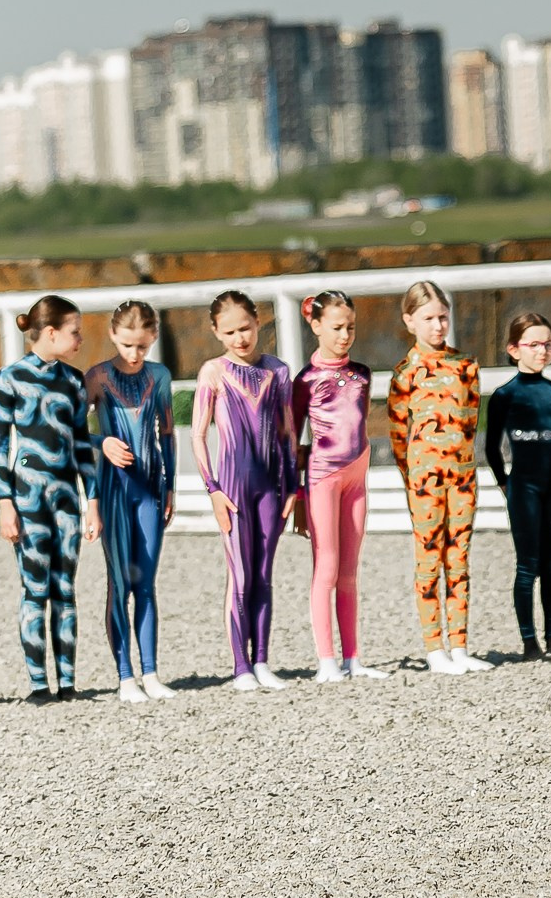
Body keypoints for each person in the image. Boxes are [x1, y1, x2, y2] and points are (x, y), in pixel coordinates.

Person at [191, 290, 302, 691]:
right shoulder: (213, 373)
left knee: (263, 575)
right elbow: (199, 435)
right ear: (216, 332)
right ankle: (240, 666)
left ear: (259, 322)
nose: (240, 338)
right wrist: (213, 490)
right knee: (239, 576)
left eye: (246, 328)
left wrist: (294, 485)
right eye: (230, 332)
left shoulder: (278, 371)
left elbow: (289, 432)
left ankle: (262, 661)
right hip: (233, 489)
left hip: (271, 487)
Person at [0, 296, 99, 703]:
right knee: (34, 590)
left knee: (65, 589)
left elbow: (82, 446)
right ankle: (39, 683)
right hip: (28, 497)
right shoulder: (10, 378)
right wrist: (5, 504)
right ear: (51, 332)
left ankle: (68, 681)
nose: (80, 339)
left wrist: (93, 501)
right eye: (75, 332)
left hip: (67, 498)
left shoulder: (74, 381)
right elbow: (1, 447)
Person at [386, 278, 491, 675]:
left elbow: (472, 421)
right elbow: (398, 433)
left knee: (459, 559)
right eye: (429, 318)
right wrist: (412, 474)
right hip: (424, 480)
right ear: (410, 320)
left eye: (443, 317)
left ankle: (460, 645)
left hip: (463, 476)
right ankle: (434, 647)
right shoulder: (405, 372)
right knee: (428, 560)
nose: (438, 326)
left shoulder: (466, 366)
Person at [292, 290, 387, 682]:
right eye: (336, 327)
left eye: (350, 327)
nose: (345, 335)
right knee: (326, 567)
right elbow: (291, 438)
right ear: (315, 326)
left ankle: (353, 658)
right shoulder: (306, 380)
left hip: (356, 477)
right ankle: (326, 660)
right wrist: (296, 496)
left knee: (349, 570)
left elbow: (360, 421)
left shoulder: (362, 373)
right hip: (323, 478)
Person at [87, 298, 177, 703]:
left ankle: (152, 672)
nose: (135, 354)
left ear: (153, 338)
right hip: (113, 490)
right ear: (113, 336)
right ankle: (125, 676)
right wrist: (102, 441)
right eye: (127, 345)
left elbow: (168, 433)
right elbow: (72, 433)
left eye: (142, 345)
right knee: (119, 582)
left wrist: (171, 484)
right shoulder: (99, 377)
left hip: (150, 490)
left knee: (146, 584)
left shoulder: (159, 376)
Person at [484, 311, 551, 661]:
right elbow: (491, 446)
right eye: (533, 344)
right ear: (514, 349)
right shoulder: (505, 395)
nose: (542, 351)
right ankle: (529, 642)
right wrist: (504, 482)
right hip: (524, 487)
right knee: (527, 566)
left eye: (547, 343)